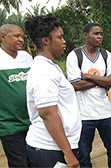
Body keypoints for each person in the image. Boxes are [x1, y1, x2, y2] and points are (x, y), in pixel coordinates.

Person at [25, 15, 81, 168]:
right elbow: (47, 113)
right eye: (60, 37)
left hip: (54, 147)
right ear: (46, 41)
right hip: (49, 150)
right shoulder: (43, 71)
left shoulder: (49, 66)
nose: (64, 41)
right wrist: (68, 153)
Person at [66, 23, 111, 168]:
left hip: (106, 113)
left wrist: (89, 77)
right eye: (95, 33)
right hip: (84, 116)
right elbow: (75, 85)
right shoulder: (75, 56)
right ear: (86, 35)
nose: (99, 37)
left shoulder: (107, 55)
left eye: (101, 34)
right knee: (84, 155)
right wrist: (104, 80)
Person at [0, 24, 32, 168]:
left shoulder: (26, 57)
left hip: (33, 123)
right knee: (19, 164)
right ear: (2, 37)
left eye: (22, 37)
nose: (21, 40)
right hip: (10, 126)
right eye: (16, 36)